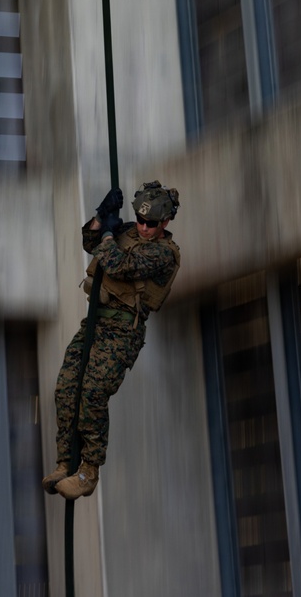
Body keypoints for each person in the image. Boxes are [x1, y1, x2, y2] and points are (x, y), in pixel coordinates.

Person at [44, 180, 181, 501]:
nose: (144, 228)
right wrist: (100, 216)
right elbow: (91, 242)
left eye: (152, 224)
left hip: (122, 331)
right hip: (94, 321)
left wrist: (108, 233)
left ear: (165, 223)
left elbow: (117, 263)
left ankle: (88, 471)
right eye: (142, 220)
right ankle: (66, 461)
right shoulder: (129, 232)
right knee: (67, 388)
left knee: (92, 393)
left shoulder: (163, 254)